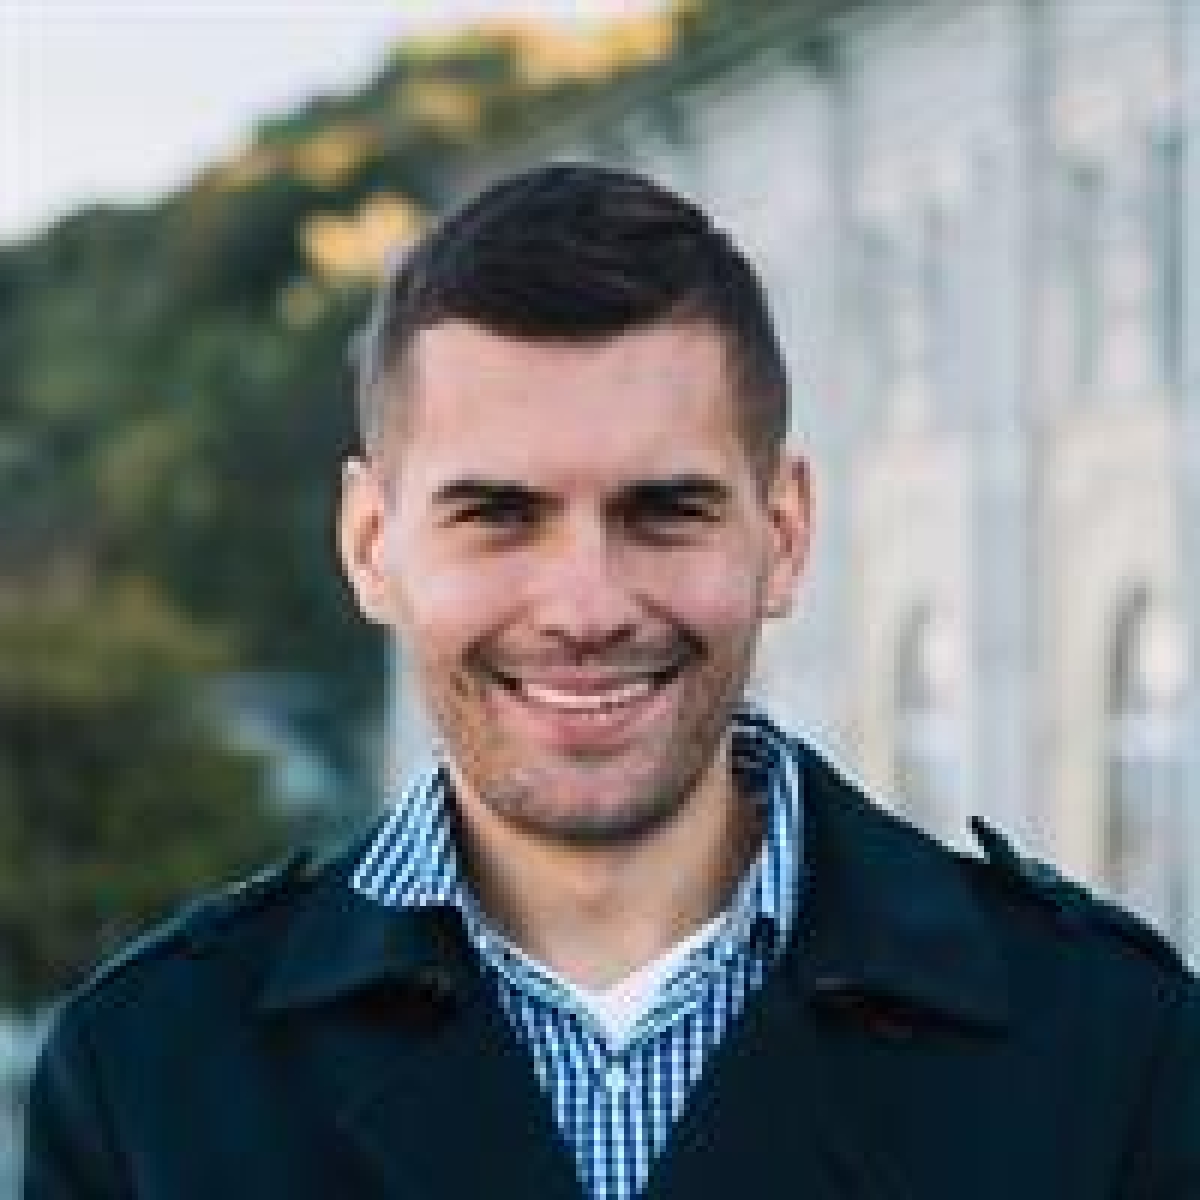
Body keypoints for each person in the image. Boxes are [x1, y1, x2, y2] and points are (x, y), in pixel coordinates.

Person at [23, 163, 1199, 1200]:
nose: (586, 609)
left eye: (664, 511)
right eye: (498, 515)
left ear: (784, 534)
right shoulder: (149, 1077)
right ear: (372, 545)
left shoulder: (1113, 1049)